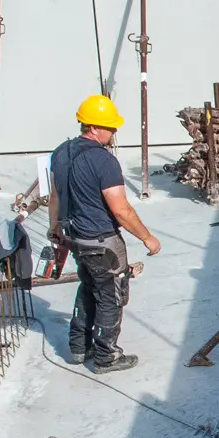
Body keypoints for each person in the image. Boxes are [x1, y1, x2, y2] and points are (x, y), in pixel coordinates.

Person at [48, 95, 160, 372]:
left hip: (73, 236)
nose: (114, 133)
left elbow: (54, 196)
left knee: (88, 286)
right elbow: (121, 210)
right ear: (95, 128)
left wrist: (54, 228)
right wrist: (147, 237)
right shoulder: (104, 162)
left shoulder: (61, 152)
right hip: (101, 242)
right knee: (111, 295)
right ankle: (105, 357)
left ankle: (78, 347)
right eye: (110, 127)